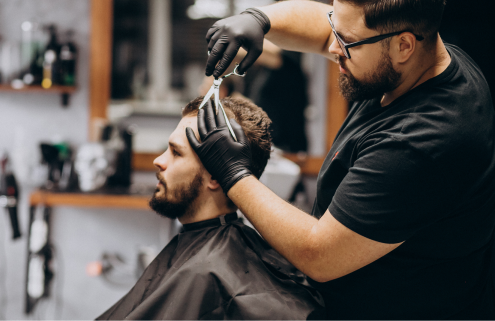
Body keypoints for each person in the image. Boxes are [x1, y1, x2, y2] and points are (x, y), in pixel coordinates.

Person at [186, 0, 495, 320]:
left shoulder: (421, 142)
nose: (333, 47)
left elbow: (319, 256)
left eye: (346, 42)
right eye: (336, 28)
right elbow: (325, 31)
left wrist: (234, 173)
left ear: (404, 46)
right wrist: (260, 19)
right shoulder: (418, 59)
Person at [96, 97, 325, 321]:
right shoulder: (206, 259)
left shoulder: (220, 280)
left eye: (176, 153)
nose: (158, 160)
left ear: (216, 176)